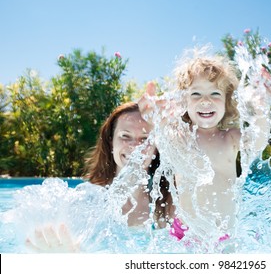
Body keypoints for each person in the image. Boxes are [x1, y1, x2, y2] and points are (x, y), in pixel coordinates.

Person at [138, 50, 271, 240]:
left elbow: (258, 141)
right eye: (196, 93)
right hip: (184, 233)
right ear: (183, 101)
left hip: (223, 235)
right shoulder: (180, 136)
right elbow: (161, 137)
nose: (206, 100)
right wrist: (152, 116)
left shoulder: (231, 138)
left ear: (227, 101)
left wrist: (261, 109)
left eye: (215, 93)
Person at [25, 102, 174, 252]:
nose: (135, 146)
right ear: (111, 141)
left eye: (144, 138)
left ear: (156, 146)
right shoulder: (86, 202)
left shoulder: (169, 202)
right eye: (125, 136)